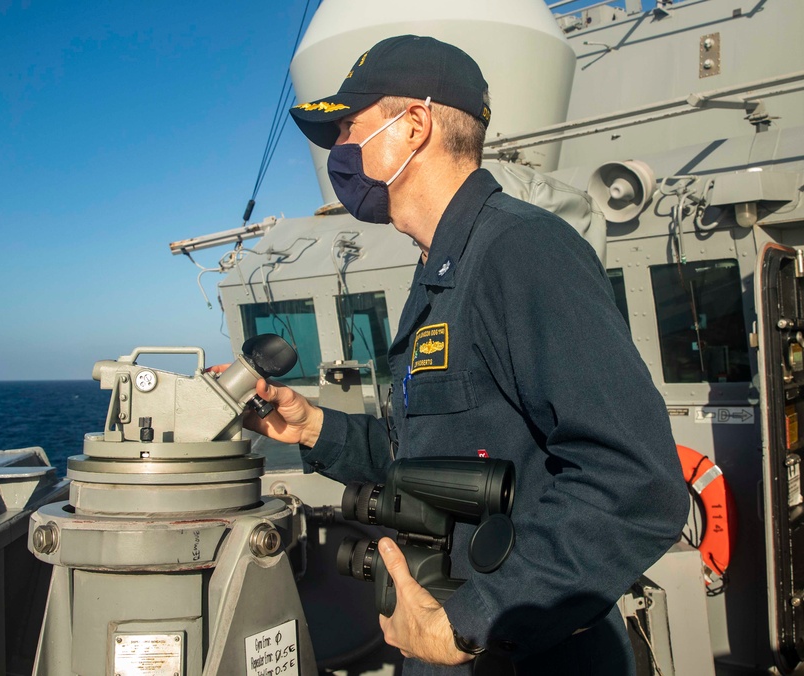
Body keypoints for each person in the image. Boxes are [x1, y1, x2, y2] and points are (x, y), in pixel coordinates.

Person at [245, 35, 688, 674]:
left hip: (523, 651)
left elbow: (635, 483)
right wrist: (313, 427)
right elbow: (428, 460)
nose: (340, 152)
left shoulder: (524, 252)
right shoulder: (439, 273)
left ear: (414, 126)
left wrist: (468, 622)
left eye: (349, 128)